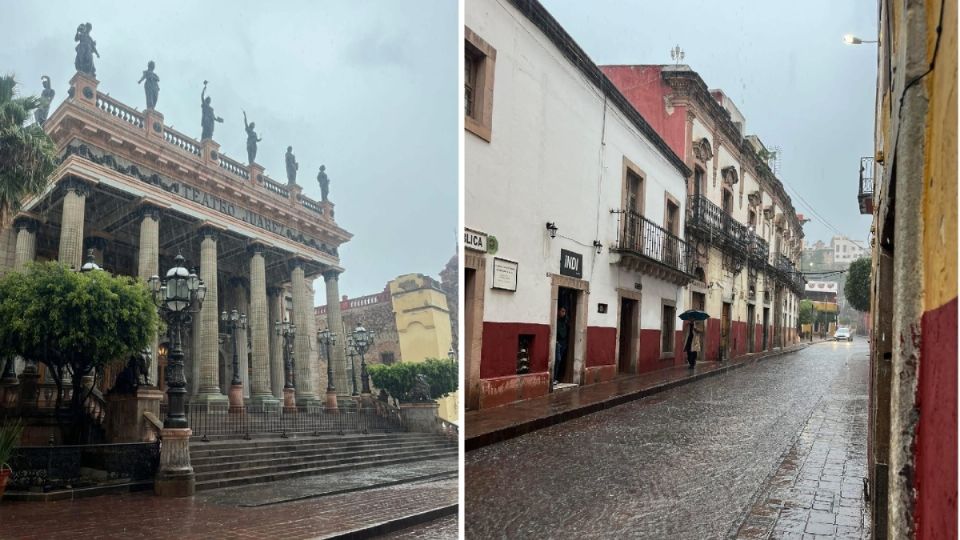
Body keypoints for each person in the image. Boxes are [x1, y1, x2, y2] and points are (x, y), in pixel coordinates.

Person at [554, 306, 569, 385]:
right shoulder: (557, 321)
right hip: (558, 343)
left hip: (563, 343)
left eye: (564, 311)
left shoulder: (565, 321)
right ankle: (554, 378)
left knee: (561, 361)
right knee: (558, 360)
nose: (563, 313)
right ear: (558, 311)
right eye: (562, 311)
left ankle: (558, 377)